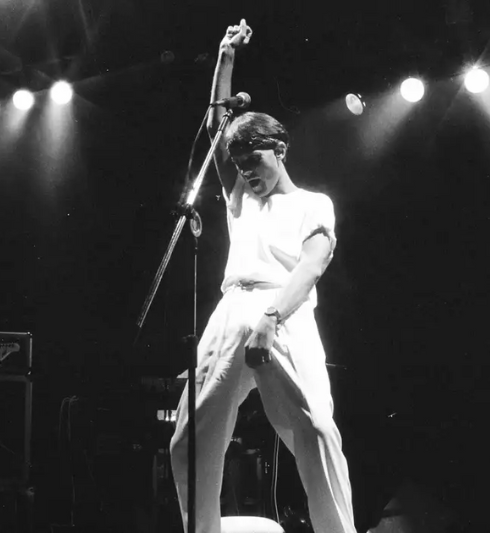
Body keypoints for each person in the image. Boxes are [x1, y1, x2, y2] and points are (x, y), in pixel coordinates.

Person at [168, 18, 357, 533]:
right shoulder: (239, 197)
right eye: (239, 164)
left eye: (254, 160)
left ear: (280, 149)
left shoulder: (315, 203)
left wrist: (272, 318)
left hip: (286, 312)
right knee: (190, 440)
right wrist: (225, 58)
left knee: (316, 431)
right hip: (232, 309)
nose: (246, 172)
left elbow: (313, 266)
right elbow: (215, 130)